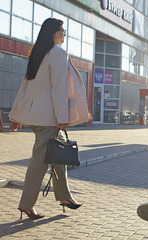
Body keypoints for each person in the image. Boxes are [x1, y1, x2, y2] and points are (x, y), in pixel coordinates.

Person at [9, 18, 89, 220]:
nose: (65, 34)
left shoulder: (38, 53)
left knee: (58, 152)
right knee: (39, 162)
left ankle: (64, 196)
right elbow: (58, 88)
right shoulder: (58, 54)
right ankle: (26, 205)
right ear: (54, 32)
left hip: (35, 116)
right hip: (48, 119)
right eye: (63, 30)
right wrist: (62, 117)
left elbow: (25, 87)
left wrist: (16, 115)